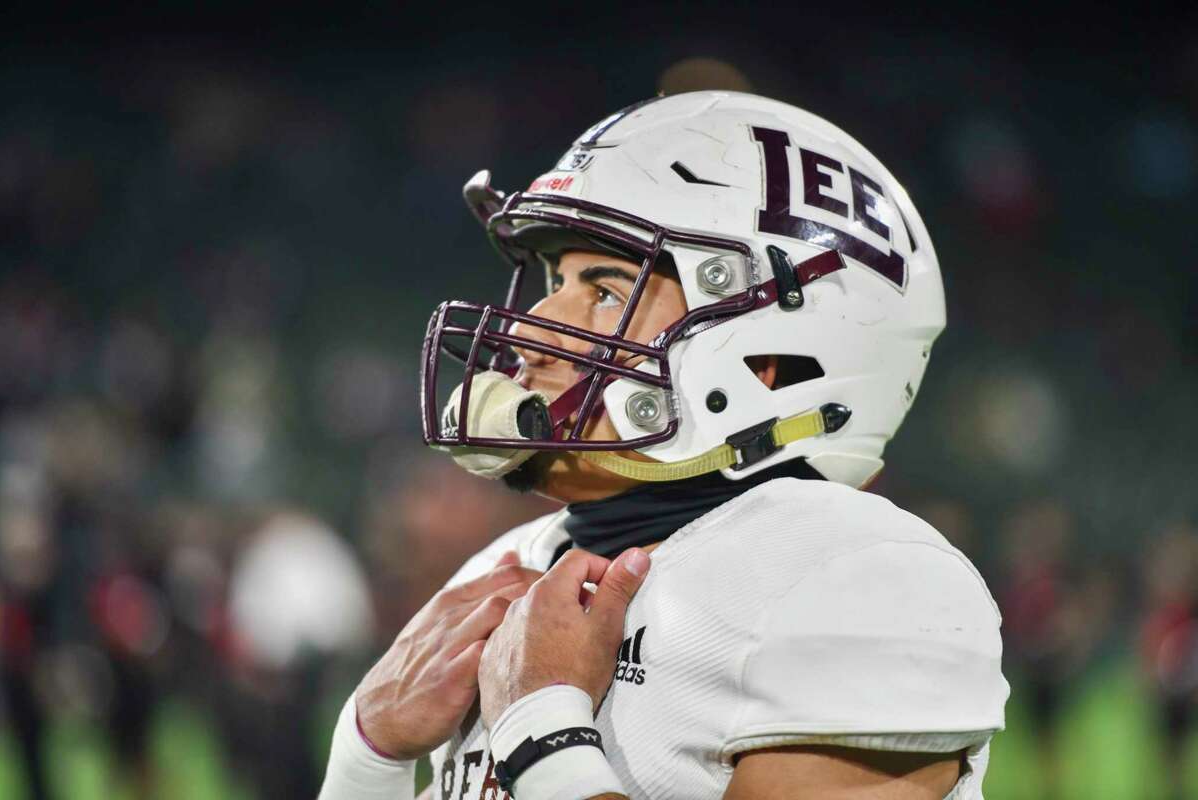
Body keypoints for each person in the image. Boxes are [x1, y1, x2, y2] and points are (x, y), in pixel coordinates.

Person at [320, 91, 1009, 799]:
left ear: (766, 359)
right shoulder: (506, 567)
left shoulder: (858, 575)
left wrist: (545, 735)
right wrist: (366, 755)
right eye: (555, 283)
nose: (531, 329)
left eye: (607, 290)